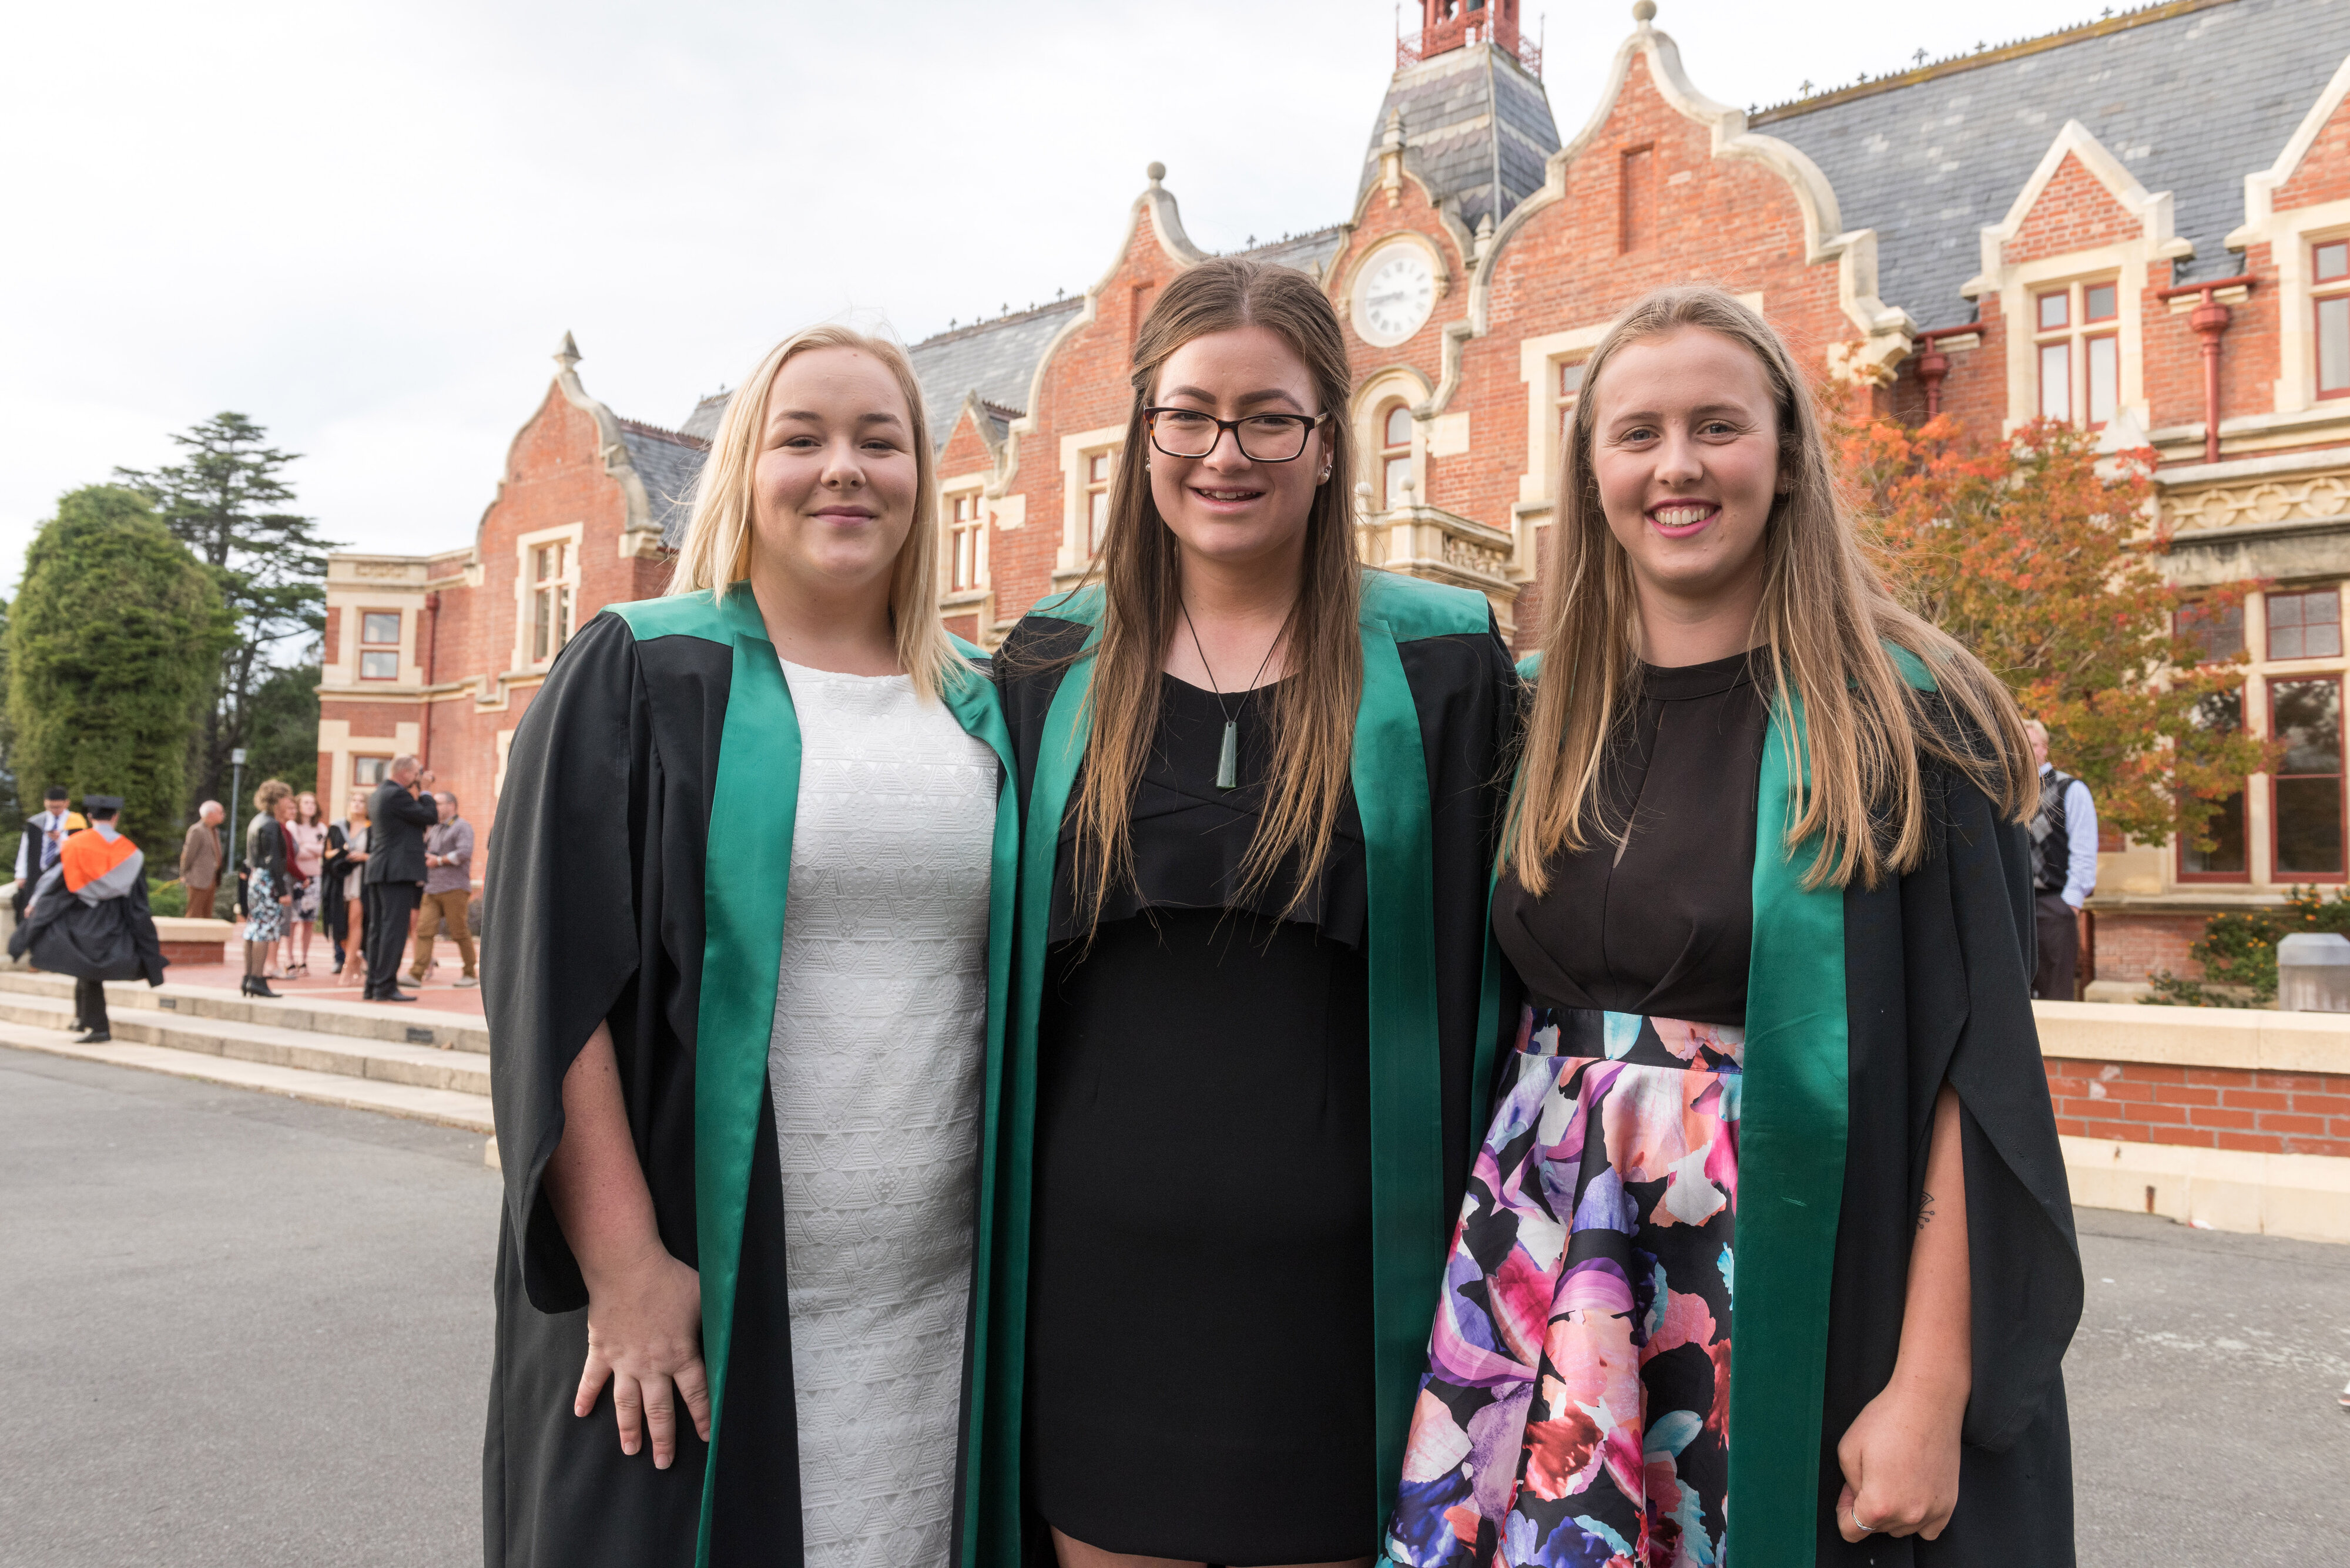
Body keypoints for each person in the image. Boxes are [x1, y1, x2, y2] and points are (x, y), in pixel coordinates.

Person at [1383, 287, 2080, 1567]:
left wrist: (1929, 1388)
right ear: (1589, 467)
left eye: (1717, 425)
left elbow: (1974, 1085)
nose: (1677, 465)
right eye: (1635, 432)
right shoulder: (1534, 720)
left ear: (1787, 453)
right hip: (1545, 1254)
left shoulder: (1906, 721)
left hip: (1791, 1262)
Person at [980, 257, 1517, 1568]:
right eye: (1189, 414)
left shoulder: (1441, 663)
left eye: (1270, 417)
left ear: (1329, 443)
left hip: (1345, 1297)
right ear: (1144, 433)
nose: (1226, 451)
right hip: (1097, 1284)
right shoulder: (1049, 665)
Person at [482, 323, 1021, 1566]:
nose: (844, 467)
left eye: (878, 439)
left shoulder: (989, 705)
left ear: (921, 480)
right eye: (803, 437)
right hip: (697, 1289)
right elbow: (551, 983)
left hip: (929, 1305)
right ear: (745, 468)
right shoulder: (644, 669)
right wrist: (625, 1268)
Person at [9, 795, 166, 1041]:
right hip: (114, 917)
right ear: (116, 817)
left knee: (86, 967)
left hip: (81, 914)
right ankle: (83, 1018)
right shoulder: (132, 852)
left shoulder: (75, 844)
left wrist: (34, 903)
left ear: (91, 818)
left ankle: (99, 1027)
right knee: (85, 967)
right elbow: (138, 899)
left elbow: (52, 879)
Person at [2026, 720, 2098, 1001]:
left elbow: (2085, 849)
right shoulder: (2006, 792)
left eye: (2031, 745)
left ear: (2044, 749)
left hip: (2054, 905)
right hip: (2013, 905)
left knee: (2055, 993)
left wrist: (2071, 902)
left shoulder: (2071, 789)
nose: (2025, 752)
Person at [361, 757, 440, 1003]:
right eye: (417, 772)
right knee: (393, 931)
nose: (420, 775)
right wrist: (426, 790)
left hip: (380, 870)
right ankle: (385, 986)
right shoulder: (397, 795)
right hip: (396, 871)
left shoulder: (380, 793)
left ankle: (373, 985)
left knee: (377, 931)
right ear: (405, 773)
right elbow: (429, 816)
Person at [408, 790, 477, 988]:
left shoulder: (462, 826)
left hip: (455, 888)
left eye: (438, 803)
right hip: (432, 889)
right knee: (423, 931)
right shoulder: (435, 828)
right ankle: (416, 974)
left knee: (459, 932)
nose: (434, 808)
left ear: (452, 805)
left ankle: (470, 973)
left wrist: (437, 860)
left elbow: (464, 853)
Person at [241, 781, 295, 999]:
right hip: (268, 880)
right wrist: (282, 891)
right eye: (286, 799)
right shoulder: (271, 824)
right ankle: (258, 979)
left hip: (256, 878)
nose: (288, 802)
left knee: (253, 928)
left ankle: (248, 978)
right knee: (264, 930)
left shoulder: (257, 821)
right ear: (277, 800)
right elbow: (274, 860)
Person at [14, 786, 85, 919]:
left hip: (63, 874)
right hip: (37, 872)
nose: (54, 810)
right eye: (50, 807)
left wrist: (60, 839)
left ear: (66, 803)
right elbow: (24, 849)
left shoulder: (76, 823)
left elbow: (80, 850)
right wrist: (21, 874)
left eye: (57, 807)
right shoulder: (36, 823)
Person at [284, 791, 328, 977]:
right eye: (306, 802)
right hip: (296, 878)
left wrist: (306, 846)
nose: (311, 805)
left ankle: (304, 959)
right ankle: (289, 959)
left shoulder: (321, 828)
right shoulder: (292, 826)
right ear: (299, 805)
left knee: (309, 921)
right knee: (293, 920)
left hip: (315, 877)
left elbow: (324, 851)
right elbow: (296, 853)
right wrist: (311, 850)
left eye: (313, 802)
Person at [329, 790, 372, 979]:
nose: (357, 804)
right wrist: (341, 852)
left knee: (355, 921)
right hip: (340, 879)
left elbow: (379, 854)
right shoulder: (338, 827)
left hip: (361, 880)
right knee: (340, 924)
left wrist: (364, 857)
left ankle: (347, 967)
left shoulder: (373, 828)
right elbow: (326, 853)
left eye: (362, 801)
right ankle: (354, 959)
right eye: (354, 800)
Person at [177, 801, 226, 919]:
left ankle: (205, 939)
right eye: (221, 812)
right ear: (210, 815)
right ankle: (187, 937)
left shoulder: (215, 831)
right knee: (194, 914)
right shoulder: (197, 830)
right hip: (198, 880)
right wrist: (184, 874)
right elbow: (188, 855)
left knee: (207, 915)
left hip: (212, 879)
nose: (223, 815)